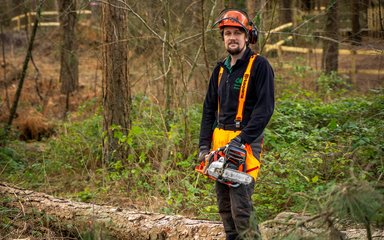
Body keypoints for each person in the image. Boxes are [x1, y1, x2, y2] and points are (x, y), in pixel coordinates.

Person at [198, 8, 275, 240]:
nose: (232, 37)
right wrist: (203, 146)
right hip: (219, 142)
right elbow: (208, 109)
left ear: (247, 35)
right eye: (227, 33)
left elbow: (265, 110)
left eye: (237, 33)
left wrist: (241, 140)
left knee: (241, 207)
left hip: (246, 141)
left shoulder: (259, 66)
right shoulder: (220, 69)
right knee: (224, 207)